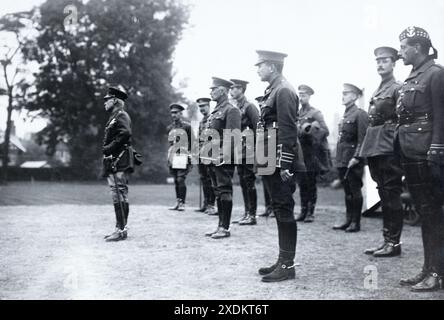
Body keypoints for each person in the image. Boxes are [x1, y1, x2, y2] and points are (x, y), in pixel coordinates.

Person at [396, 26, 444, 292]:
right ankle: (429, 268)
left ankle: (436, 273)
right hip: (412, 151)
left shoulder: (436, 75)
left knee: (433, 212)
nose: (401, 52)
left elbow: (441, 115)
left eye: (404, 47)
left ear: (417, 48)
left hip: (427, 153)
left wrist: (436, 150)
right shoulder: (414, 76)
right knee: (425, 213)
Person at [255, 50, 300, 282]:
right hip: (269, 154)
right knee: (279, 207)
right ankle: (283, 258)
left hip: (278, 157)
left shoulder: (283, 90)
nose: (257, 68)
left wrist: (284, 163)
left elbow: (288, 129)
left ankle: (287, 264)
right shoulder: (274, 89)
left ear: (272, 66)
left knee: (284, 208)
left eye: (260, 65)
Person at [360, 47, 404, 257]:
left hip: (388, 145)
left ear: (394, 63)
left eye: (385, 61)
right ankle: (387, 239)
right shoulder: (379, 88)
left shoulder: (397, 87)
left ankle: (394, 243)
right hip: (376, 144)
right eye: (377, 61)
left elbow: (402, 118)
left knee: (391, 193)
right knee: (383, 193)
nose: (380, 64)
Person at [204, 77, 241, 239]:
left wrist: (223, 155)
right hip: (212, 156)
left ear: (223, 91)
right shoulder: (216, 111)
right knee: (218, 191)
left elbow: (233, 136)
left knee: (224, 190)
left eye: (214, 89)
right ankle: (220, 225)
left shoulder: (231, 110)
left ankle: (225, 227)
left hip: (223, 158)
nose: (211, 91)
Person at [332, 83, 368, 232]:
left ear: (354, 96)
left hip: (353, 159)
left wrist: (357, 158)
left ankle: (356, 222)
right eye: (343, 93)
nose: (343, 96)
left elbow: (363, 138)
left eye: (346, 93)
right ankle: (348, 220)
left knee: (355, 190)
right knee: (347, 191)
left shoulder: (360, 114)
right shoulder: (346, 114)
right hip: (343, 158)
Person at [102, 86, 133, 242]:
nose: (105, 103)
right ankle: (120, 228)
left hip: (119, 159)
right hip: (116, 159)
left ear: (114, 100)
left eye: (107, 100)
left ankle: (120, 230)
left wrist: (109, 147)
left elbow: (125, 133)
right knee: (118, 193)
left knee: (119, 192)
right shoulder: (115, 116)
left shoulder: (121, 115)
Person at [295, 85, 330, 223]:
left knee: (311, 183)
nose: (301, 97)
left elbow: (325, 130)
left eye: (304, 95)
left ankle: (310, 212)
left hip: (311, 154)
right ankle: (303, 211)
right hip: (300, 153)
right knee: (302, 183)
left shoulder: (315, 113)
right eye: (300, 95)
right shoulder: (297, 113)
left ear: (309, 96)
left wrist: (311, 131)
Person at [229, 79, 260, 226]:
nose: (232, 91)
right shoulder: (235, 107)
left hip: (248, 150)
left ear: (241, 90)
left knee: (249, 181)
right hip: (239, 151)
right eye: (232, 88)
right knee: (242, 181)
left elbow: (258, 129)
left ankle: (252, 214)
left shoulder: (250, 107)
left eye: (235, 88)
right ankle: (247, 212)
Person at [167, 103, 193, 211]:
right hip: (173, 155)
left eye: (176, 113)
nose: (174, 115)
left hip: (183, 155)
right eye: (172, 113)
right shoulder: (170, 127)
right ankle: (178, 201)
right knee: (176, 180)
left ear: (180, 113)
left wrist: (191, 154)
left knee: (181, 179)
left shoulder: (187, 126)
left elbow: (192, 141)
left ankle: (182, 203)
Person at [195, 97, 216, 215]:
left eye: (203, 106)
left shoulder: (212, 119)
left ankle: (212, 205)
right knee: (203, 179)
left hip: (210, 152)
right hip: (201, 153)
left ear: (208, 106)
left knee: (210, 179)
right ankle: (206, 203)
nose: (201, 109)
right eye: (200, 107)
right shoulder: (202, 121)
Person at [255, 96, 274, 218]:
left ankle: (274, 208)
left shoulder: (270, 120)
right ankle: (268, 207)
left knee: (273, 180)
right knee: (265, 180)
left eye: (262, 104)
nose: (261, 106)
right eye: (259, 105)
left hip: (271, 150)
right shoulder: (260, 120)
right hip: (263, 151)